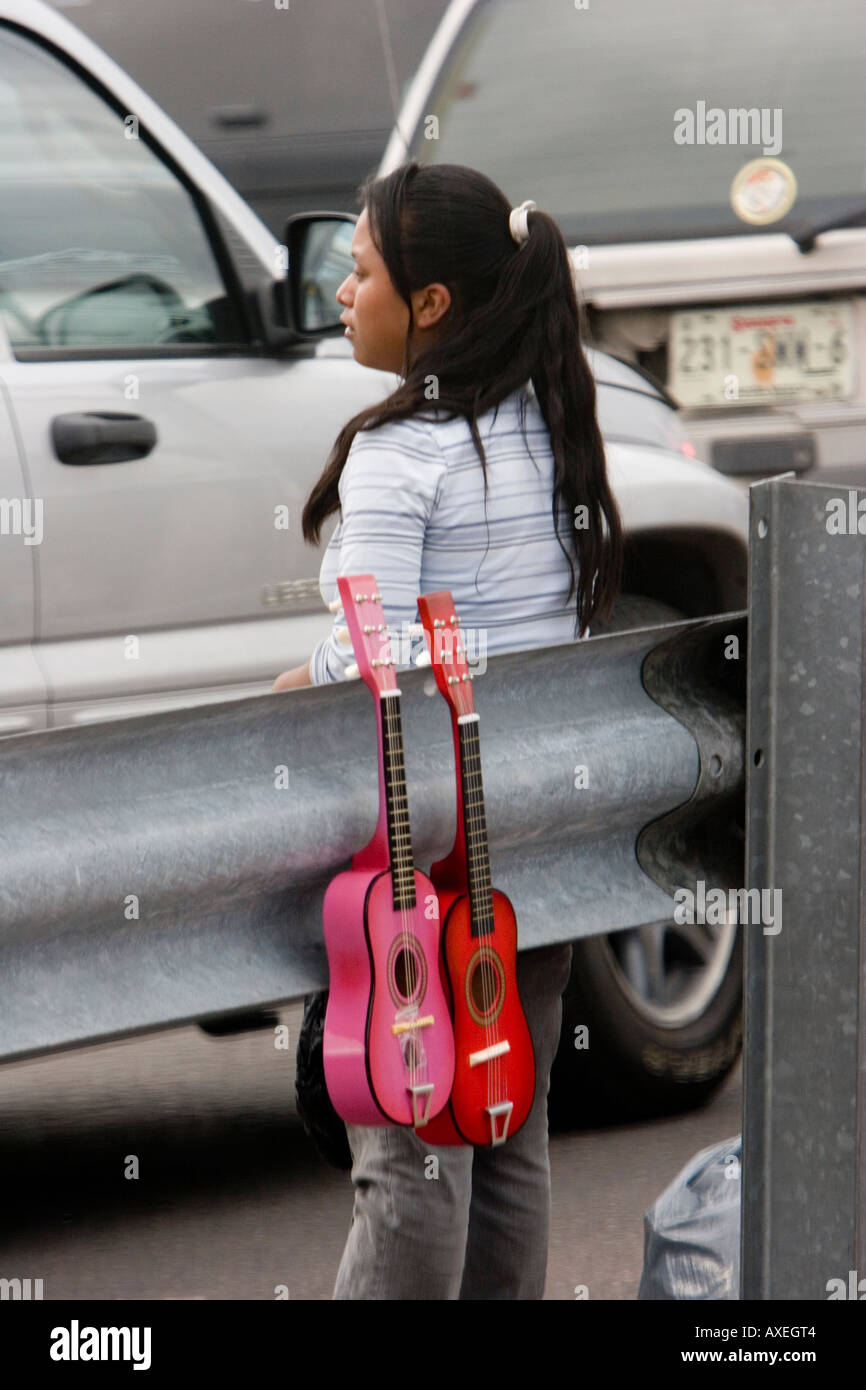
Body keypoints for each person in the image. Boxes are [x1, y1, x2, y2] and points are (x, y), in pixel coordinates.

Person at [272, 161, 623, 1299]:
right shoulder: (549, 422)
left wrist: (301, 678)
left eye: (360, 268)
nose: (338, 287)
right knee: (505, 1115)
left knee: (414, 1146)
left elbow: (383, 659)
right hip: (542, 828)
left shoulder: (401, 450)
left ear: (428, 305)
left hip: (424, 844)